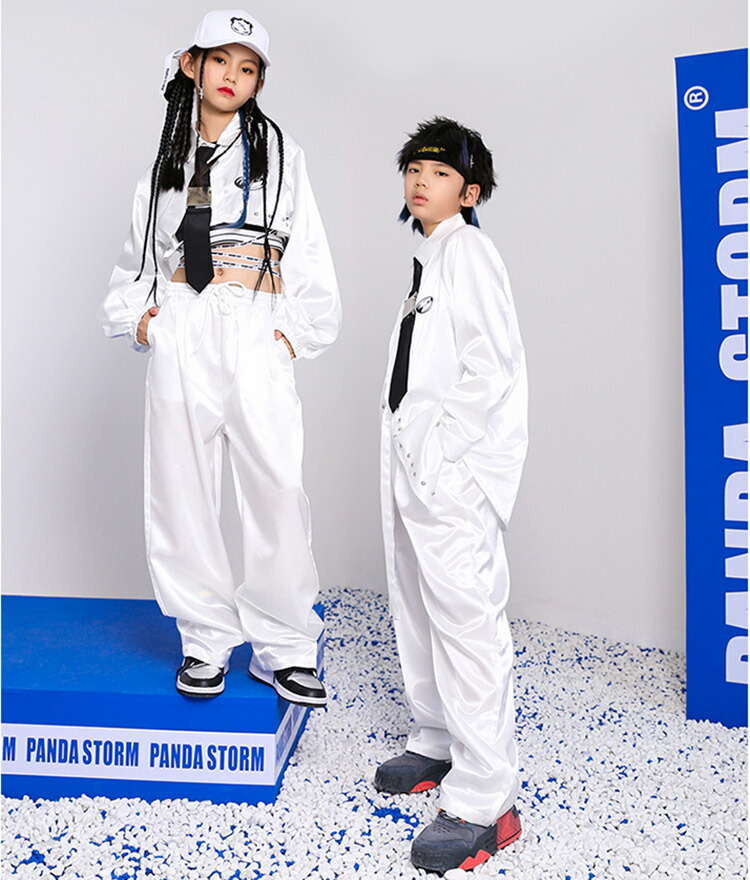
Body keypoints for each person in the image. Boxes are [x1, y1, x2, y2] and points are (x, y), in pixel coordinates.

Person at [99, 10, 340, 706]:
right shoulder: (165, 166)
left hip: (254, 322)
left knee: (275, 485)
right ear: (191, 65)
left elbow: (309, 249)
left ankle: (285, 645)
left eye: (248, 67)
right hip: (185, 326)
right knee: (182, 486)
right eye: (221, 61)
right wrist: (147, 322)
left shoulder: (281, 154)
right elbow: (139, 261)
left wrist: (291, 334)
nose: (233, 76)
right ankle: (205, 637)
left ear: (260, 80)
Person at [376, 117, 528, 873]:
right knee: (417, 600)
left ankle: (485, 801)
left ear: (469, 193)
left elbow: (491, 366)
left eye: (438, 173)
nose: (420, 181)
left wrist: (444, 453)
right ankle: (436, 738)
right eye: (414, 168)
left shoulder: (470, 252)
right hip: (413, 467)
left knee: (466, 621)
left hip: (450, 474)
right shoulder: (429, 260)